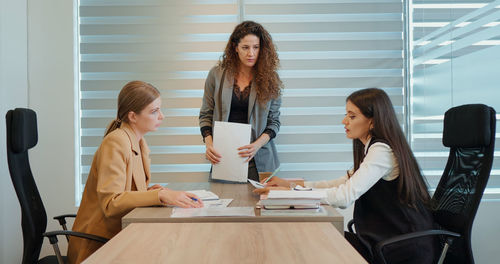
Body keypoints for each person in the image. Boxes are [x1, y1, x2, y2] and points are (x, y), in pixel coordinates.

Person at [257, 88, 437, 263]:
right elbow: (338, 183)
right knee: (313, 239)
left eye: (352, 116)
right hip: (384, 241)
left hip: (402, 248)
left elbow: (344, 196)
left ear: (372, 122)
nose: (344, 121)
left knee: (311, 242)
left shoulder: (382, 151)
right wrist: (290, 186)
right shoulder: (372, 149)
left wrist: (292, 194)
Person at [68, 81, 203, 264]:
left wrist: (154, 193)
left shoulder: (139, 142)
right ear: (133, 116)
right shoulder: (115, 142)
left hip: (120, 236)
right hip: (100, 246)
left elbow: (127, 192)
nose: (161, 116)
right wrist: (159, 195)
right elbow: (111, 203)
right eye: (154, 111)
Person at [199, 21, 283, 181]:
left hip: (260, 160)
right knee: (221, 204)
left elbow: (274, 122)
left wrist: (256, 145)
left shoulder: (271, 79)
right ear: (235, 47)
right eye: (245, 47)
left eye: (256, 47)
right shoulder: (216, 75)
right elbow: (205, 115)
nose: (251, 53)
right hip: (223, 158)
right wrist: (209, 145)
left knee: (258, 205)